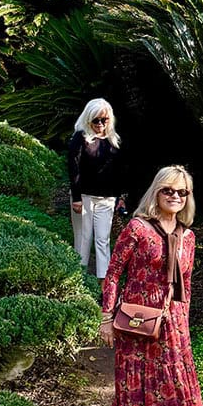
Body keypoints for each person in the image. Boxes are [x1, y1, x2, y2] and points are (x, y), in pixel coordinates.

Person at [99, 165, 203, 406]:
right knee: (134, 385)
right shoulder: (137, 228)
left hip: (172, 323)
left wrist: (183, 323)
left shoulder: (188, 237)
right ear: (156, 192)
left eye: (182, 192)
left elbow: (186, 284)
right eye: (169, 190)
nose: (175, 196)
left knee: (172, 387)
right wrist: (107, 318)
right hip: (135, 320)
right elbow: (113, 274)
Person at [67, 98, 125, 280]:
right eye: (96, 120)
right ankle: (79, 279)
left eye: (104, 120)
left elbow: (119, 171)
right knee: (83, 238)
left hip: (107, 198)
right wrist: (76, 198)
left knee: (103, 240)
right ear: (88, 119)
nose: (100, 124)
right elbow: (73, 168)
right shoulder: (80, 138)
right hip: (84, 197)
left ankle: (104, 283)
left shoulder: (113, 140)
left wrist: (120, 197)